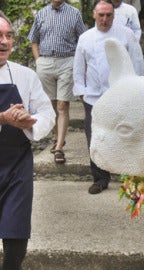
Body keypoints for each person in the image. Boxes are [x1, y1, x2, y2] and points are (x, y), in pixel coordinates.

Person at [0, 11, 55, 270]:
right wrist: (2, 118)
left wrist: (30, 121)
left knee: (16, 238)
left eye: (8, 36)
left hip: (16, 165)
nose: (4, 42)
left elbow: (48, 113)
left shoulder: (26, 76)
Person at [73, 0, 144, 194]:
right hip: (93, 97)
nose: (105, 19)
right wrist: (80, 90)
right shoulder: (85, 38)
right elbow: (79, 67)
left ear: (114, 16)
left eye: (109, 15)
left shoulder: (126, 34)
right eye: (101, 15)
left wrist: (136, 89)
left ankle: (128, 177)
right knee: (95, 138)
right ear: (94, 15)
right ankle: (100, 178)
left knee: (125, 136)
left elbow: (137, 61)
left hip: (120, 96)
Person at [27, 0, 86, 164]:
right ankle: (57, 137)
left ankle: (59, 147)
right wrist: (38, 60)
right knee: (50, 105)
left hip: (66, 62)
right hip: (45, 62)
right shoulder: (41, 13)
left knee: (62, 105)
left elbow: (83, 39)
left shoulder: (74, 13)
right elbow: (34, 39)